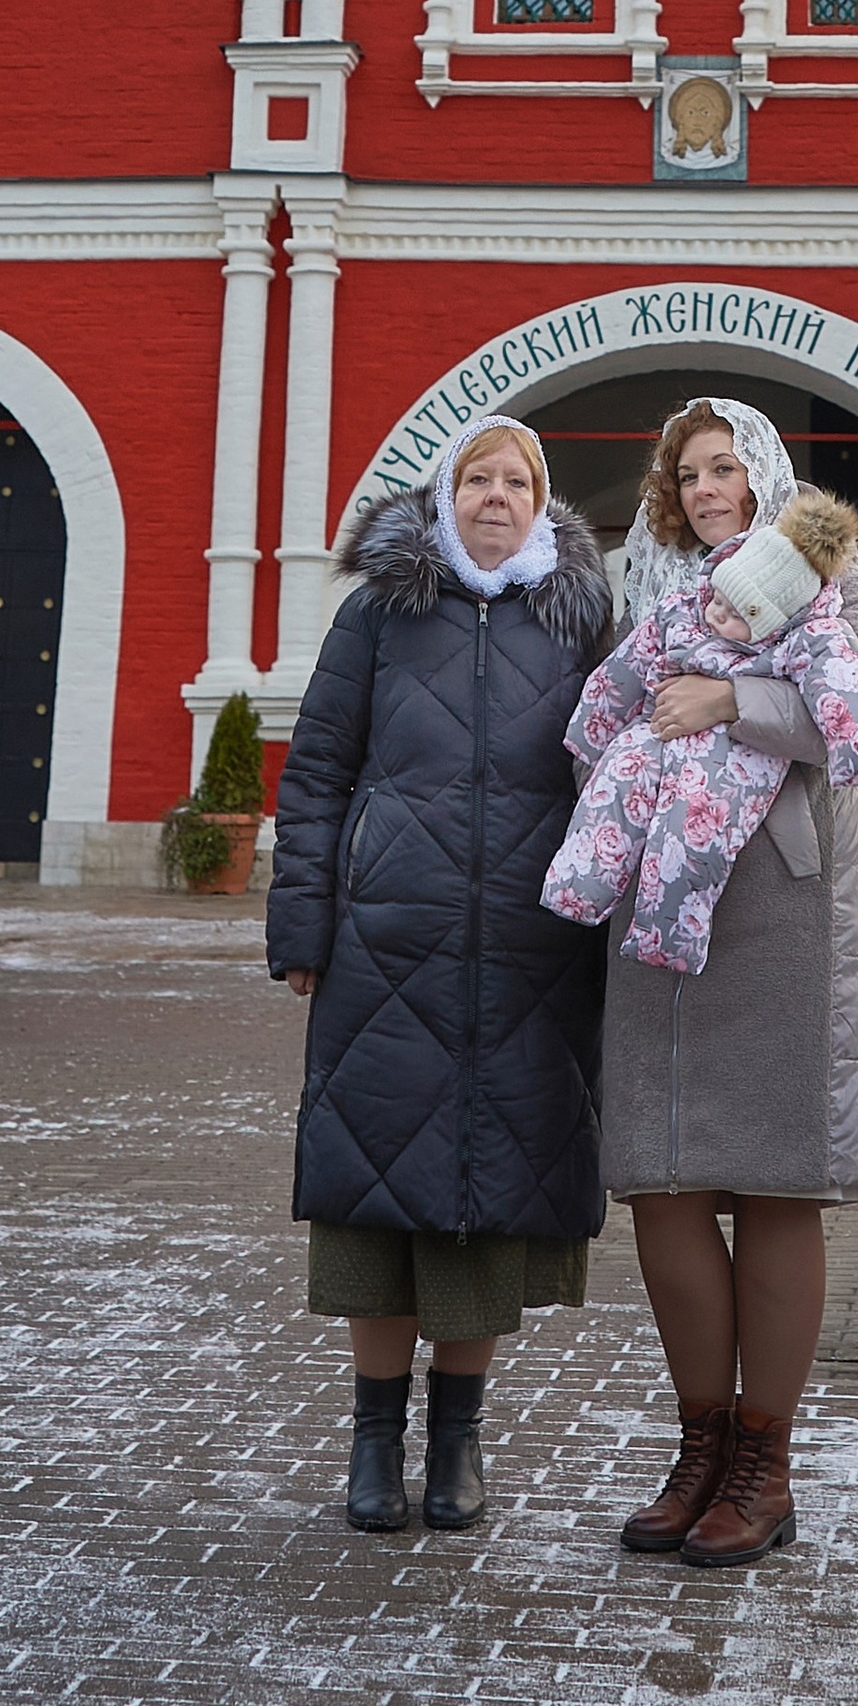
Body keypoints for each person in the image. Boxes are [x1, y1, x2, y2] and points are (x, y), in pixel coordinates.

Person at [265, 417, 614, 1535]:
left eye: (517, 480)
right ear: (445, 493)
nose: (496, 495)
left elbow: (618, 778)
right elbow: (316, 771)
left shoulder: (580, 624)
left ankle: (457, 1440)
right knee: (377, 1199)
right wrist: (304, 926)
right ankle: (374, 1442)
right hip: (388, 942)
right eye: (478, 477)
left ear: (543, 500)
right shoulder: (378, 613)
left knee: (489, 1202)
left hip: (531, 951)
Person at [600, 398, 858, 1571]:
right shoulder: (650, 595)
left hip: (781, 910)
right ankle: (699, 1449)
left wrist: (734, 698)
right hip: (658, 916)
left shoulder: (831, 583)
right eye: (687, 473)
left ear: (764, 474)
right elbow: (609, 720)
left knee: (778, 1184)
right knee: (665, 1183)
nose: (707, 487)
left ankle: (763, 1469)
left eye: (726, 466)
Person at [543, 488, 858, 974]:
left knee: (693, 835)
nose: (717, 614)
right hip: (656, 732)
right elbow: (625, 667)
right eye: (719, 599)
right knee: (615, 783)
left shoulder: (811, 630)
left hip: (731, 757)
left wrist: (852, 749)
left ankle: (669, 937)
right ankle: (577, 889)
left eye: (739, 613)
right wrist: (594, 730)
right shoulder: (683, 606)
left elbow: (848, 686)